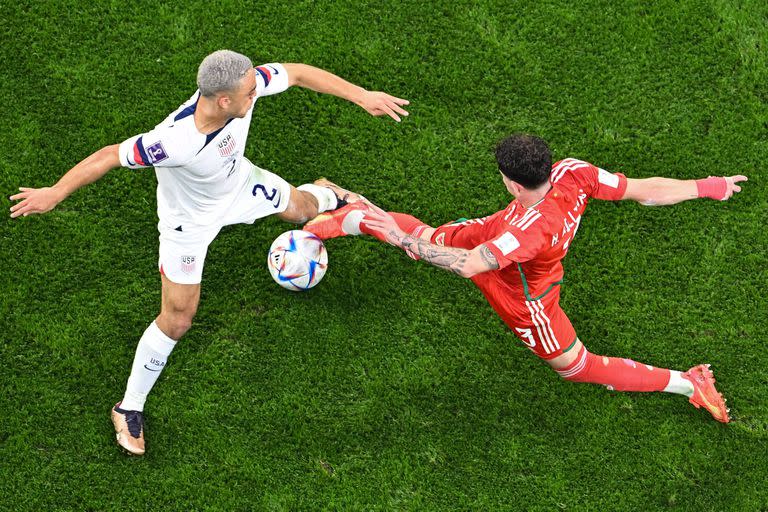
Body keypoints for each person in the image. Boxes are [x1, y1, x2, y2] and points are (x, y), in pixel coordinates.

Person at [9, 50, 409, 455]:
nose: (257, 94)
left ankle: (329, 191)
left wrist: (361, 95)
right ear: (224, 100)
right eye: (250, 93)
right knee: (179, 317)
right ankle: (128, 406)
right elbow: (111, 155)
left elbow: (300, 73)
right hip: (190, 225)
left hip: (239, 183)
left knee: (304, 209)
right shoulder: (173, 142)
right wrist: (54, 193)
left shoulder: (242, 86)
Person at [305, 134, 747, 423]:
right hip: (506, 247)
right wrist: (707, 185)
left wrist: (399, 237)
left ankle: (351, 210)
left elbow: (469, 265)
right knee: (430, 238)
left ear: (515, 185)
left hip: (521, 293)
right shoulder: (575, 172)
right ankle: (688, 382)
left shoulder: (530, 230)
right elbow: (644, 189)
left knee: (573, 366)